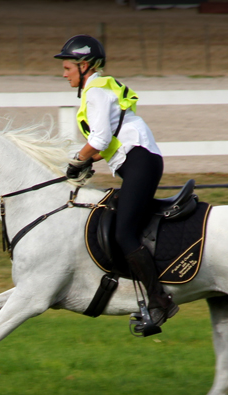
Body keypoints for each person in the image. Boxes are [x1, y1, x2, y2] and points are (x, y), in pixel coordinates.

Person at [54, 34, 178, 329]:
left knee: (124, 234)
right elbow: (108, 144)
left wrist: (77, 160)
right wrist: (86, 160)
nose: (63, 74)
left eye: (68, 68)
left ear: (84, 66)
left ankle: (160, 303)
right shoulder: (96, 89)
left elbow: (99, 139)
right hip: (138, 160)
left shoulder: (95, 92)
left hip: (140, 162)